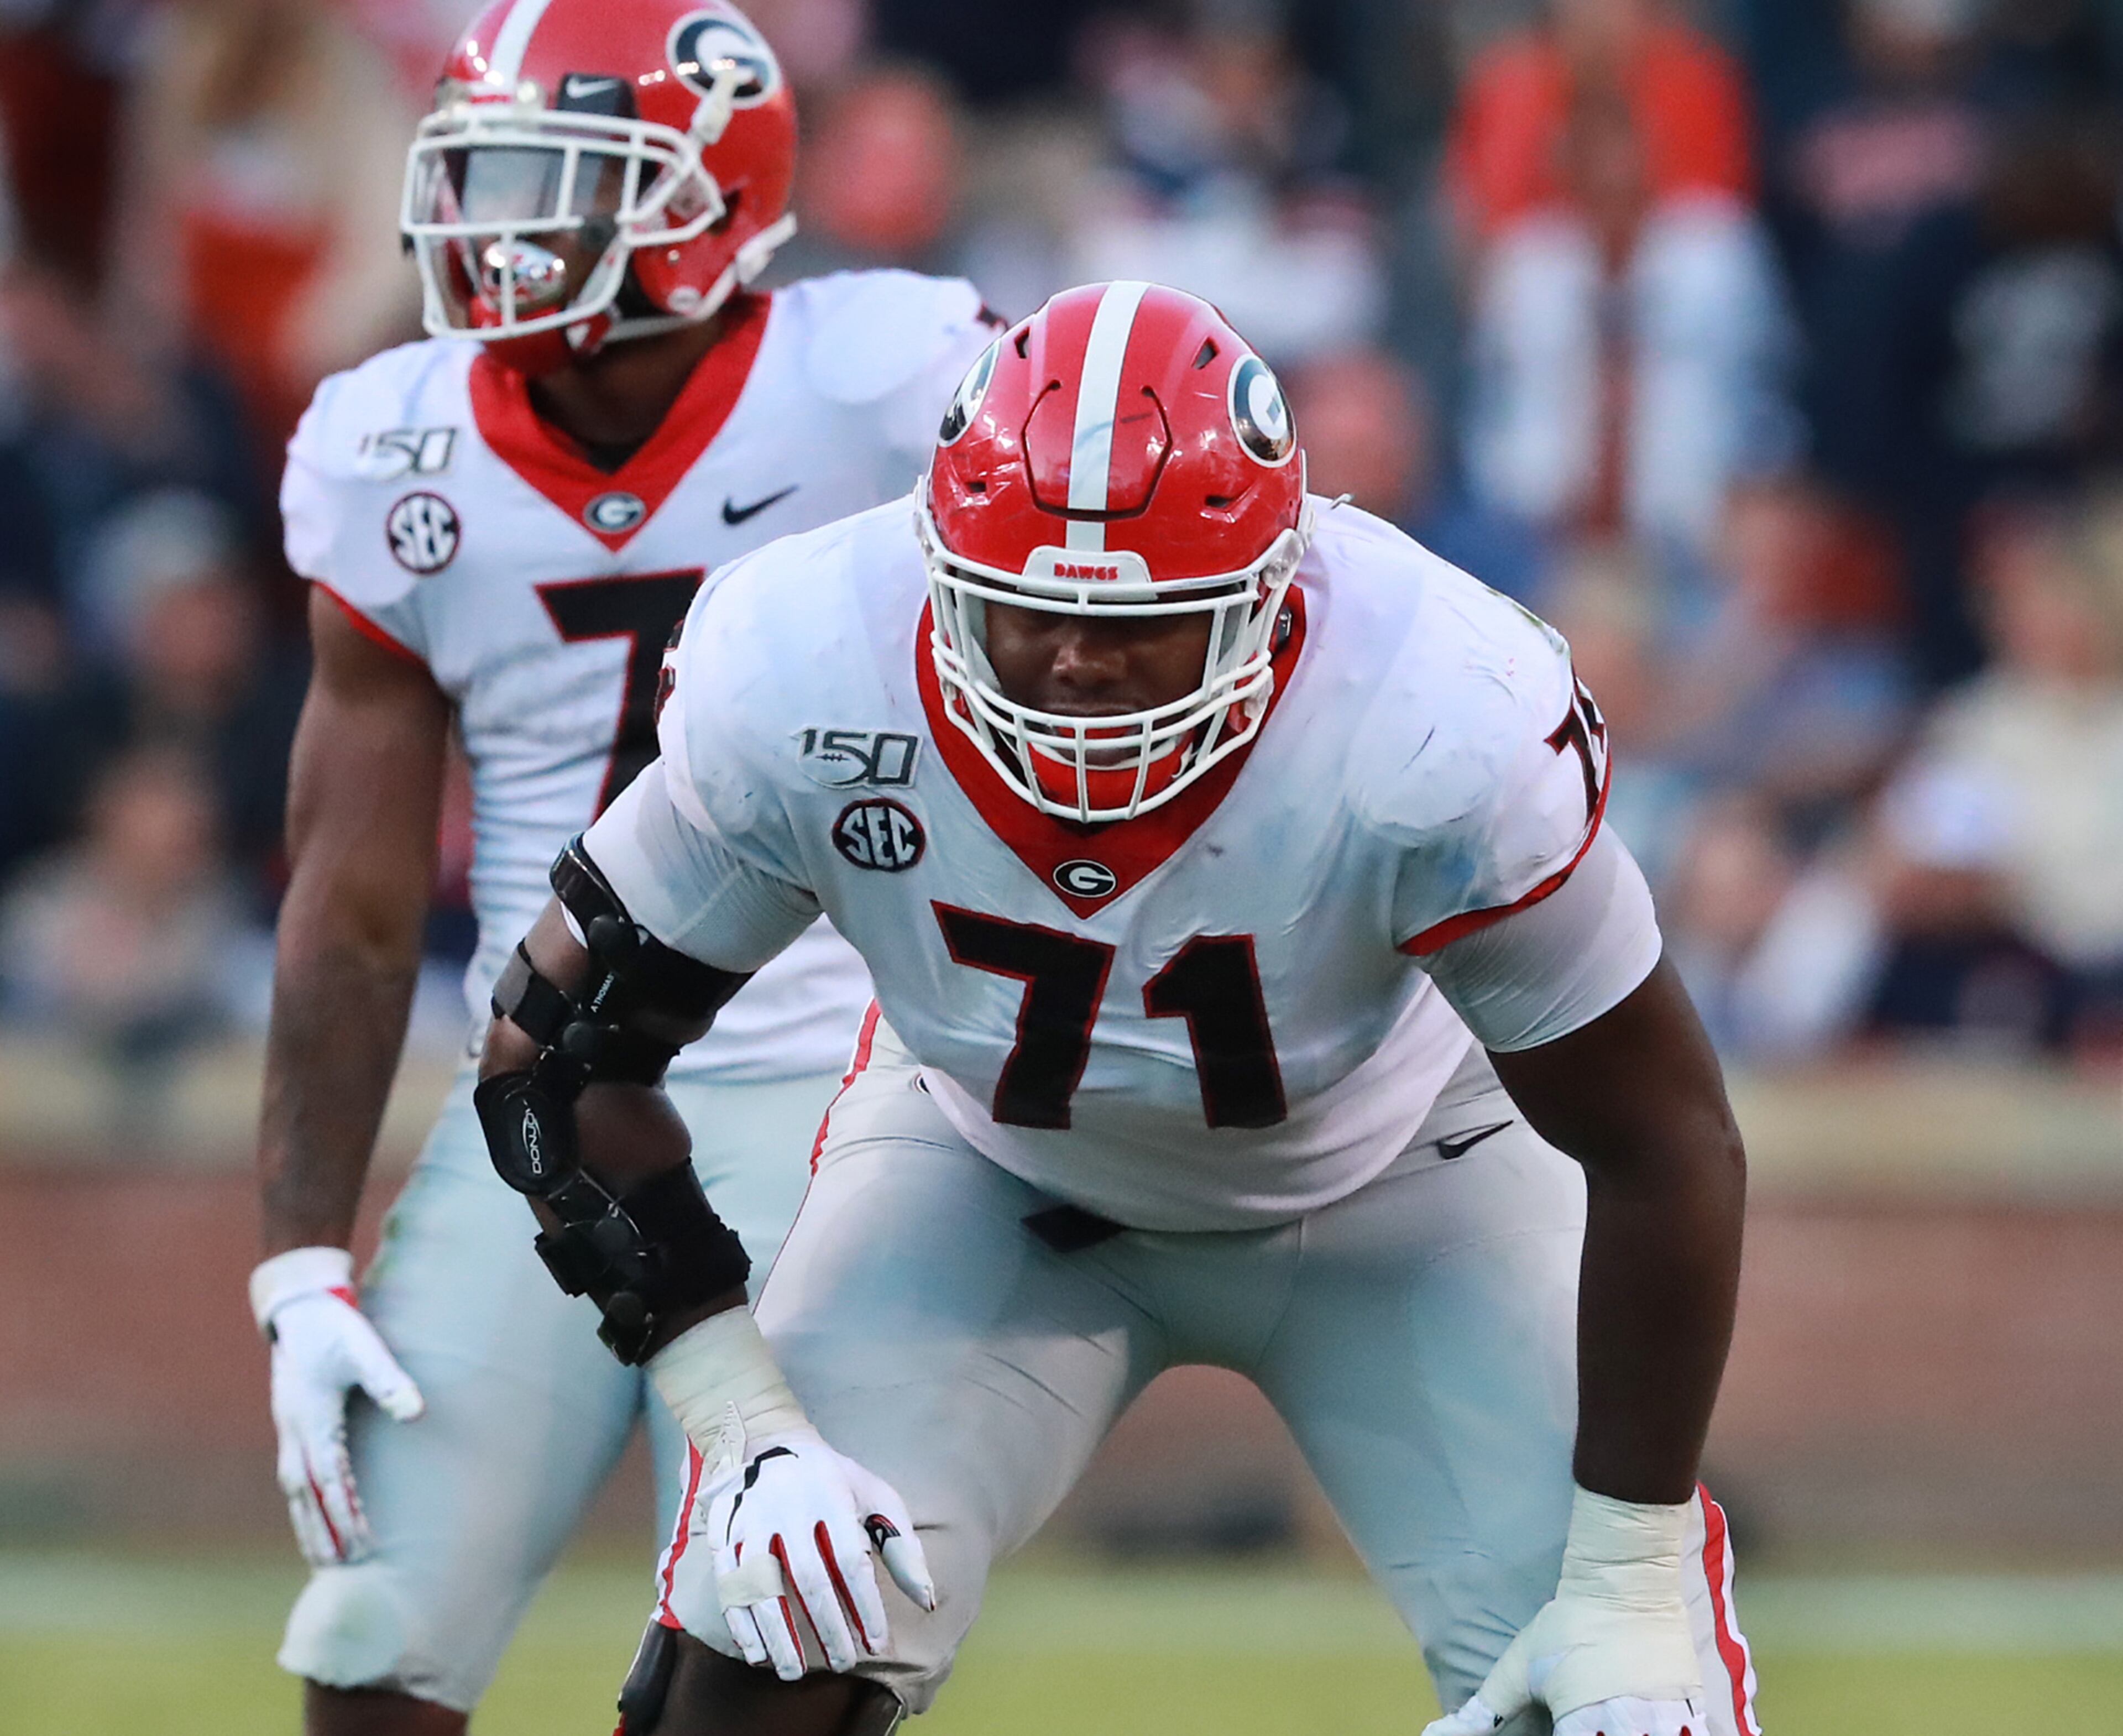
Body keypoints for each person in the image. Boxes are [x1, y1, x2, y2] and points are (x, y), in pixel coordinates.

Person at [477, 281, 1762, 1736]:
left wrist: (1628, 1576)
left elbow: (1670, 1144)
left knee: (1625, 1709)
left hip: (1410, 1183)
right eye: (1025, 610)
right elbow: (553, 1056)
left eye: (1146, 624)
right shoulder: (806, 666)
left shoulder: (1436, 708)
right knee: (771, 1638)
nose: (1079, 662)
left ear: (1278, 594)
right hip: (988, 1178)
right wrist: (748, 1430)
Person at [248, 2, 1001, 1730]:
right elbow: (350, 899)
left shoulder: (889, 378)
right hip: (543, 1082)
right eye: (480, 175)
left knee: (761, 1646)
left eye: (552, 182)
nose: (491, 228)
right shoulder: (395, 444)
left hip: (844, 1080)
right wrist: (299, 1261)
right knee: (373, 1637)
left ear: (702, 204)